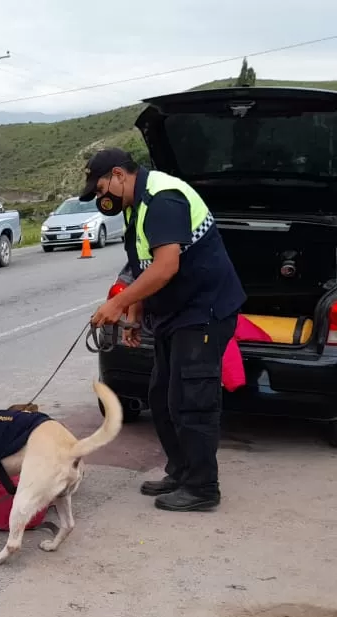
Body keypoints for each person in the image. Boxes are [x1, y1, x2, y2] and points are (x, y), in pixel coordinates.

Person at [85, 148, 246, 512]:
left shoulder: (163, 199)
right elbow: (144, 263)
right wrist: (135, 312)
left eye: (99, 189)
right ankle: (181, 471)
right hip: (176, 313)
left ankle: (203, 488)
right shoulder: (137, 204)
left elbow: (166, 267)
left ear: (118, 175)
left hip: (203, 309)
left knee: (193, 402)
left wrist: (117, 303)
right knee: (161, 396)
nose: (101, 197)